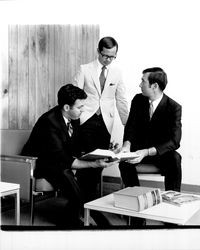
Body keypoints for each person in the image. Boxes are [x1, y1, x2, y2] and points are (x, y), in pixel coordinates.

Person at [21, 84, 116, 227]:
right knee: (65, 172)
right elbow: (61, 159)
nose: (83, 110)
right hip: (40, 163)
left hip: (59, 159)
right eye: (80, 107)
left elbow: (76, 145)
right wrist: (92, 163)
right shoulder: (49, 123)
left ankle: (71, 215)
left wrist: (103, 152)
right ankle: (92, 217)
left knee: (91, 171)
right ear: (66, 107)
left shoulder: (73, 117)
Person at [73, 36, 129, 206]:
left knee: (100, 162)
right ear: (98, 51)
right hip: (86, 120)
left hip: (106, 123)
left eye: (112, 56)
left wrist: (129, 125)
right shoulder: (84, 69)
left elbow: (121, 99)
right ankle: (81, 201)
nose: (108, 60)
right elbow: (74, 95)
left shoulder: (117, 72)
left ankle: (89, 202)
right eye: (105, 56)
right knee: (87, 161)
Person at [119, 67, 182, 193]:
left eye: (143, 81)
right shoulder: (138, 100)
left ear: (154, 86)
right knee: (124, 163)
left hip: (159, 153)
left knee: (175, 158)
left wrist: (147, 152)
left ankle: (173, 196)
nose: (140, 84)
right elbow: (130, 126)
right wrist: (126, 146)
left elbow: (175, 141)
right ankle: (134, 197)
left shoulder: (174, 107)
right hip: (137, 151)